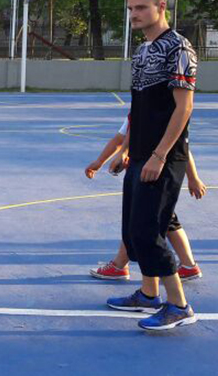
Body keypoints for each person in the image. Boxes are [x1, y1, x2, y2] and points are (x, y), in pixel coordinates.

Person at [105, 0, 198, 331]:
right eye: (131, 9)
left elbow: (183, 107)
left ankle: (179, 305)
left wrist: (160, 155)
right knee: (132, 230)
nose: (134, 15)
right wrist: (126, 150)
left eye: (141, 8)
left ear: (161, 6)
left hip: (164, 156)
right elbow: (137, 109)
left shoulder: (179, 48)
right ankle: (148, 294)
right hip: (141, 152)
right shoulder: (144, 49)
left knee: (147, 230)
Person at [85, 115, 205, 281]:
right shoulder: (138, 110)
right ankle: (187, 265)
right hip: (140, 175)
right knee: (157, 220)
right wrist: (100, 161)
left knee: (145, 222)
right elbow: (120, 139)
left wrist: (193, 177)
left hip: (155, 175)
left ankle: (126, 269)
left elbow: (182, 147)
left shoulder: (161, 112)